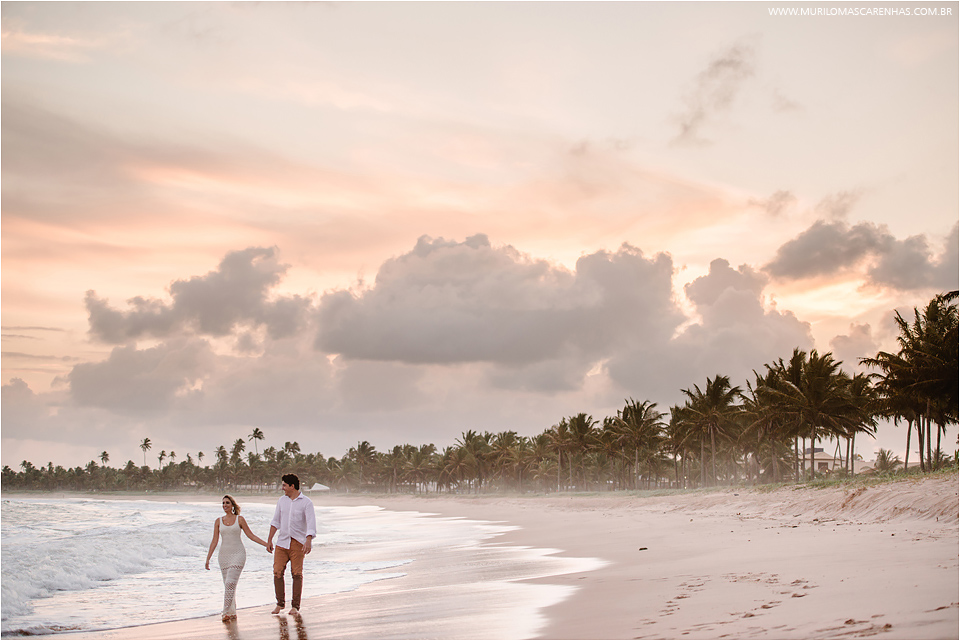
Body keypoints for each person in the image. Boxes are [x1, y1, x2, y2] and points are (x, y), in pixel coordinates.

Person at [205, 495, 269, 621]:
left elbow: (251, 536)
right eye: (223, 503)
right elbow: (214, 541)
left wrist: (266, 544)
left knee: (230, 583)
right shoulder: (218, 521)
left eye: (227, 503)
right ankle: (232, 612)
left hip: (238, 554)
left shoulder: (240, 519)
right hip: (223, 556)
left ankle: (225, 613)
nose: (225, 505)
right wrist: (208, 559)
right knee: (228, 585)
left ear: (232, 505)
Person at [266, 473, 317, 615]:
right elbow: (275, 521)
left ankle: (295, 606)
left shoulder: (306, 502)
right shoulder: (282, 501)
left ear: (292, 486)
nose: (282, 488)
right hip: (282, 542)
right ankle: (280, 603)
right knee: (277, 572)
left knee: (296, 574)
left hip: (298, 543)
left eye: (284, 485)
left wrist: (308, 540)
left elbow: (311, 523)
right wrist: (270, 539)